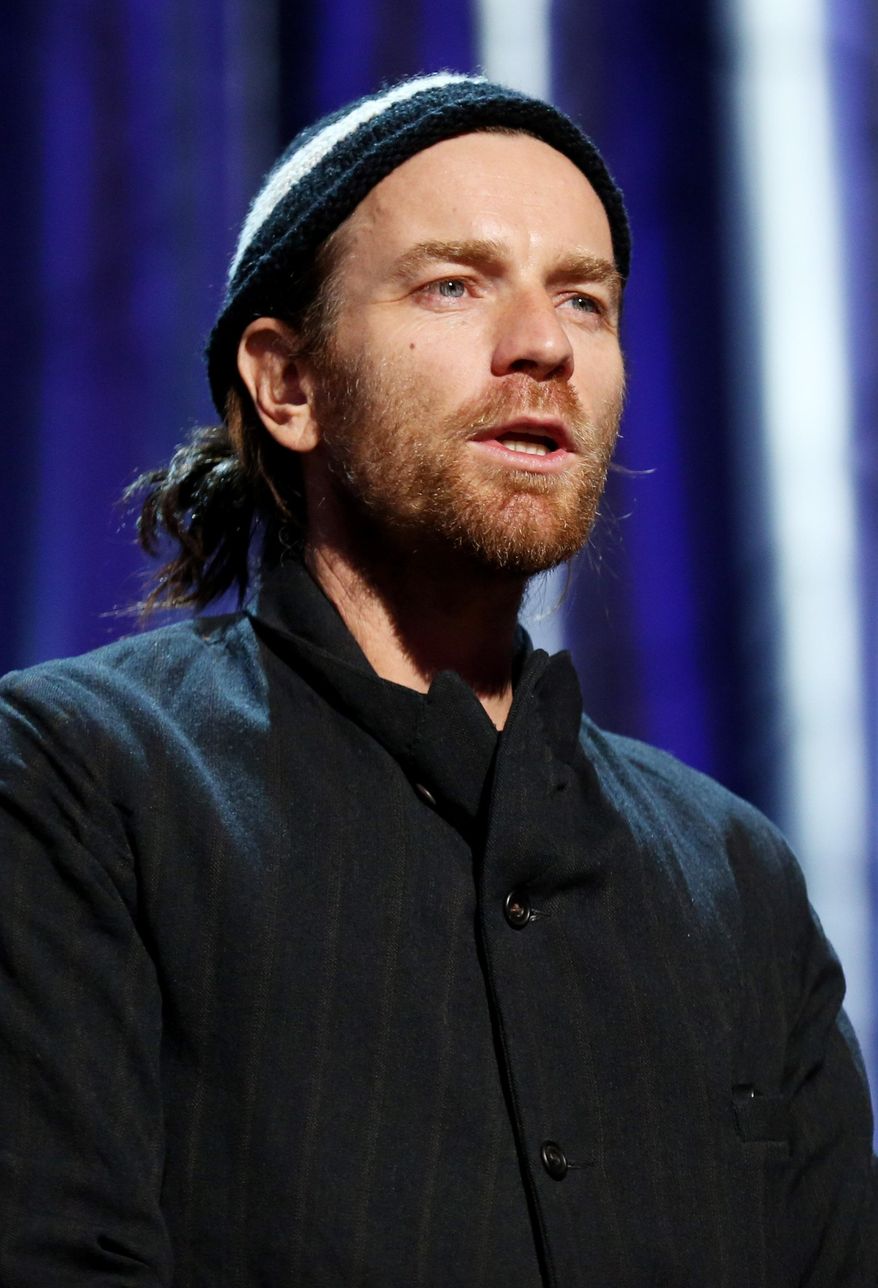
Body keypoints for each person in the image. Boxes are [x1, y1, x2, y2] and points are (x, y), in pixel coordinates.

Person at [0, 73, 875, 1288]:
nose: (543, 345)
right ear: (287, 383)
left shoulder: (737, 877)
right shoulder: (76, 781)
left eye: (583, 299)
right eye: (454, 284)